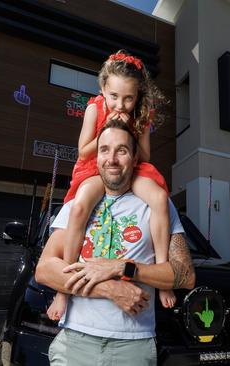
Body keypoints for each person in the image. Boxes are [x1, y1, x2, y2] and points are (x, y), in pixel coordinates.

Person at [35, 120, 195, 366]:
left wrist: (122, 268)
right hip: (75, 341)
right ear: (96, 157)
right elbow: (45, 270)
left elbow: (185, 276)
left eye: (121, 150)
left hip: (133, 347)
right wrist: (111, 289)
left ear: (134, 159)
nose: (112, 159)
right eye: (105, 150)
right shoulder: (76, 205)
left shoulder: (157, 205)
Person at [47, 50, 174, 321]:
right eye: (114, 96)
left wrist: (131, 127)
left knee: (160, 199)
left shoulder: (141, 115)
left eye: (128, 98)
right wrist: (110, 126)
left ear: (137, 95)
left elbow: (146, 155)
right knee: (80, 207)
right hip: (96, 165)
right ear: (104, 88)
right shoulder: (95, 108)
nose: (121, 104)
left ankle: (163, 276)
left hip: (132, 165)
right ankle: (63, 289)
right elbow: (83, 151)